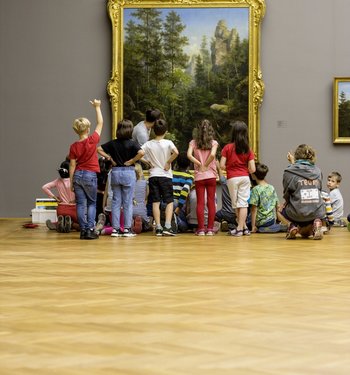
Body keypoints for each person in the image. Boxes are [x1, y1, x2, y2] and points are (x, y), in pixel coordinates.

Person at [97, 119, 145, 237]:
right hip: (128, 173)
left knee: (116, 202)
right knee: (128, 202)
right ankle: (127, 229)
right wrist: (132, 161)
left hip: (116, 172)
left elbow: (99, 149)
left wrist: (110, 159)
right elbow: (142, 153)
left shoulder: (113, 143)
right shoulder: (133, 143)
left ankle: (115, 229)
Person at [69, 99, 103, 240]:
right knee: (92, 203)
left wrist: (71, 182)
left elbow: (72, 165)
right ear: (88, 129)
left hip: (77, 176)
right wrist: (97, 107)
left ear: (76, 130)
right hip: (90, 176)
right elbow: (100, 123)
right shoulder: (92, 140)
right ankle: (90, 229)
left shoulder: (73, 146)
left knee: (81, 204)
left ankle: (83, 230)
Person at [142, 119, 179, 236]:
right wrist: (168, 162)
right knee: (169, 201)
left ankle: (158, 227)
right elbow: (176, 152)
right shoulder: (168, 143)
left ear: (153, 130)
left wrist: (147, 162)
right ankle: (167, 226)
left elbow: (137, 153)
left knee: (155, 202)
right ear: (166, 131)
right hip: (165, 176)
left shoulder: (148, 144)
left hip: (153, 176)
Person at [281, 144, 325, 240]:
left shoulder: (288, 172)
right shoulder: (318, 171)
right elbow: (319, 189)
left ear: (296, 156)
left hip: (297, 213)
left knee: (278, 209)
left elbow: (286, 193)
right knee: (305, 234)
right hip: (316, 212)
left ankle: (291, 225)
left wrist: (286, 202)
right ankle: (316, 222)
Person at [220, 120, 256, 237]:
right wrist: (246, 170)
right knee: (243, 204)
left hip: (232, 178)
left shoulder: (227, 148)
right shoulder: (248, 149)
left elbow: (221, 165)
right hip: (245, 177)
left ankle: (239, 228)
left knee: (236, 204)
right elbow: (253, 169)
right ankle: (244, 228)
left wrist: (230, 167)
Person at [187, 119, 219, 236]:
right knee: (211, 202)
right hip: (211, 175)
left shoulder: (193, 143)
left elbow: (189, 155)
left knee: (200, 202)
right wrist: (206, 165)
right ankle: (210, 229)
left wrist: (200, 164)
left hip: (199, 176)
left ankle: (201, 229)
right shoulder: (214, 143)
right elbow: (212, 155)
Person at [42, 160, 77, 233]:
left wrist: (54, 198)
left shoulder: (58, 181)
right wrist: (75, 199)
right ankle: (71, 224)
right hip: (73, 209)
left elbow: (44, 187)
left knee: (60, 218)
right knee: (81, 225)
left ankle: (58, 223)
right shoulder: (74, 180)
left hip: (61, 209)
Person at [250, 162, 285, 233]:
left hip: (261, 222)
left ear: (253, 175)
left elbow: (254, 209)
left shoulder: (255, 190)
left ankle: (263, 229)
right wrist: (278, 219)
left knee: (247, 220)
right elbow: (277, 205)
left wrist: (253, 226)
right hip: (271, 220)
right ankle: (275, 227)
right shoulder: (271, 187)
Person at [172, 152, 194, 233]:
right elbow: (184, 192)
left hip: (167, 202)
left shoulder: (171, 173)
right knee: (185, 227)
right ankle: (175, 219)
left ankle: (171, 220)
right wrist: (179, 208)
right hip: (178, 203)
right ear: (189, 163)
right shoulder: (189, 176)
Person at [215, 164, 237, 231]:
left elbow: (221, 177)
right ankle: (232, 225)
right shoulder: (239, 185)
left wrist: (218, 168)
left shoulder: (225, 183)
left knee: (215, 216)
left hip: (224, 213)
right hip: (236, 214)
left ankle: (224, 221)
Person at [132, 163, 151, 233]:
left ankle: (132, 222)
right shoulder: (145, 183)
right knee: (148, 224)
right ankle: (143, 225)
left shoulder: (129, 183)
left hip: (129, 211)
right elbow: (146, 197)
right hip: (141, 210)